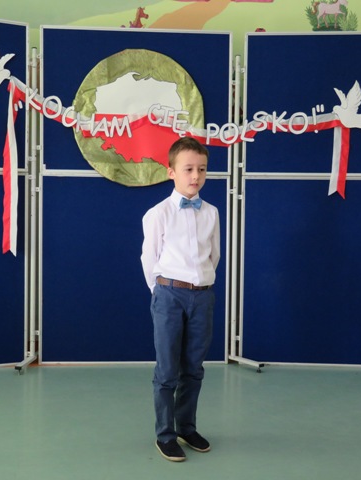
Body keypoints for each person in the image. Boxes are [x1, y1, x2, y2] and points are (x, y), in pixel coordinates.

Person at [140, 136, 221, 462]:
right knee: (167, 370)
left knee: (194, 368)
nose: (195, 176)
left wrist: (200, 284)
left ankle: (186, 427)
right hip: (169, 296)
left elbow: (213, 256)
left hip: (201, 297)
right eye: (188, 169)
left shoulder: (212, 213)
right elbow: (149, 258)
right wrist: (161, 294)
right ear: (171, 171)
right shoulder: (158, 213)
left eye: (202, 169)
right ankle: (165, 434)